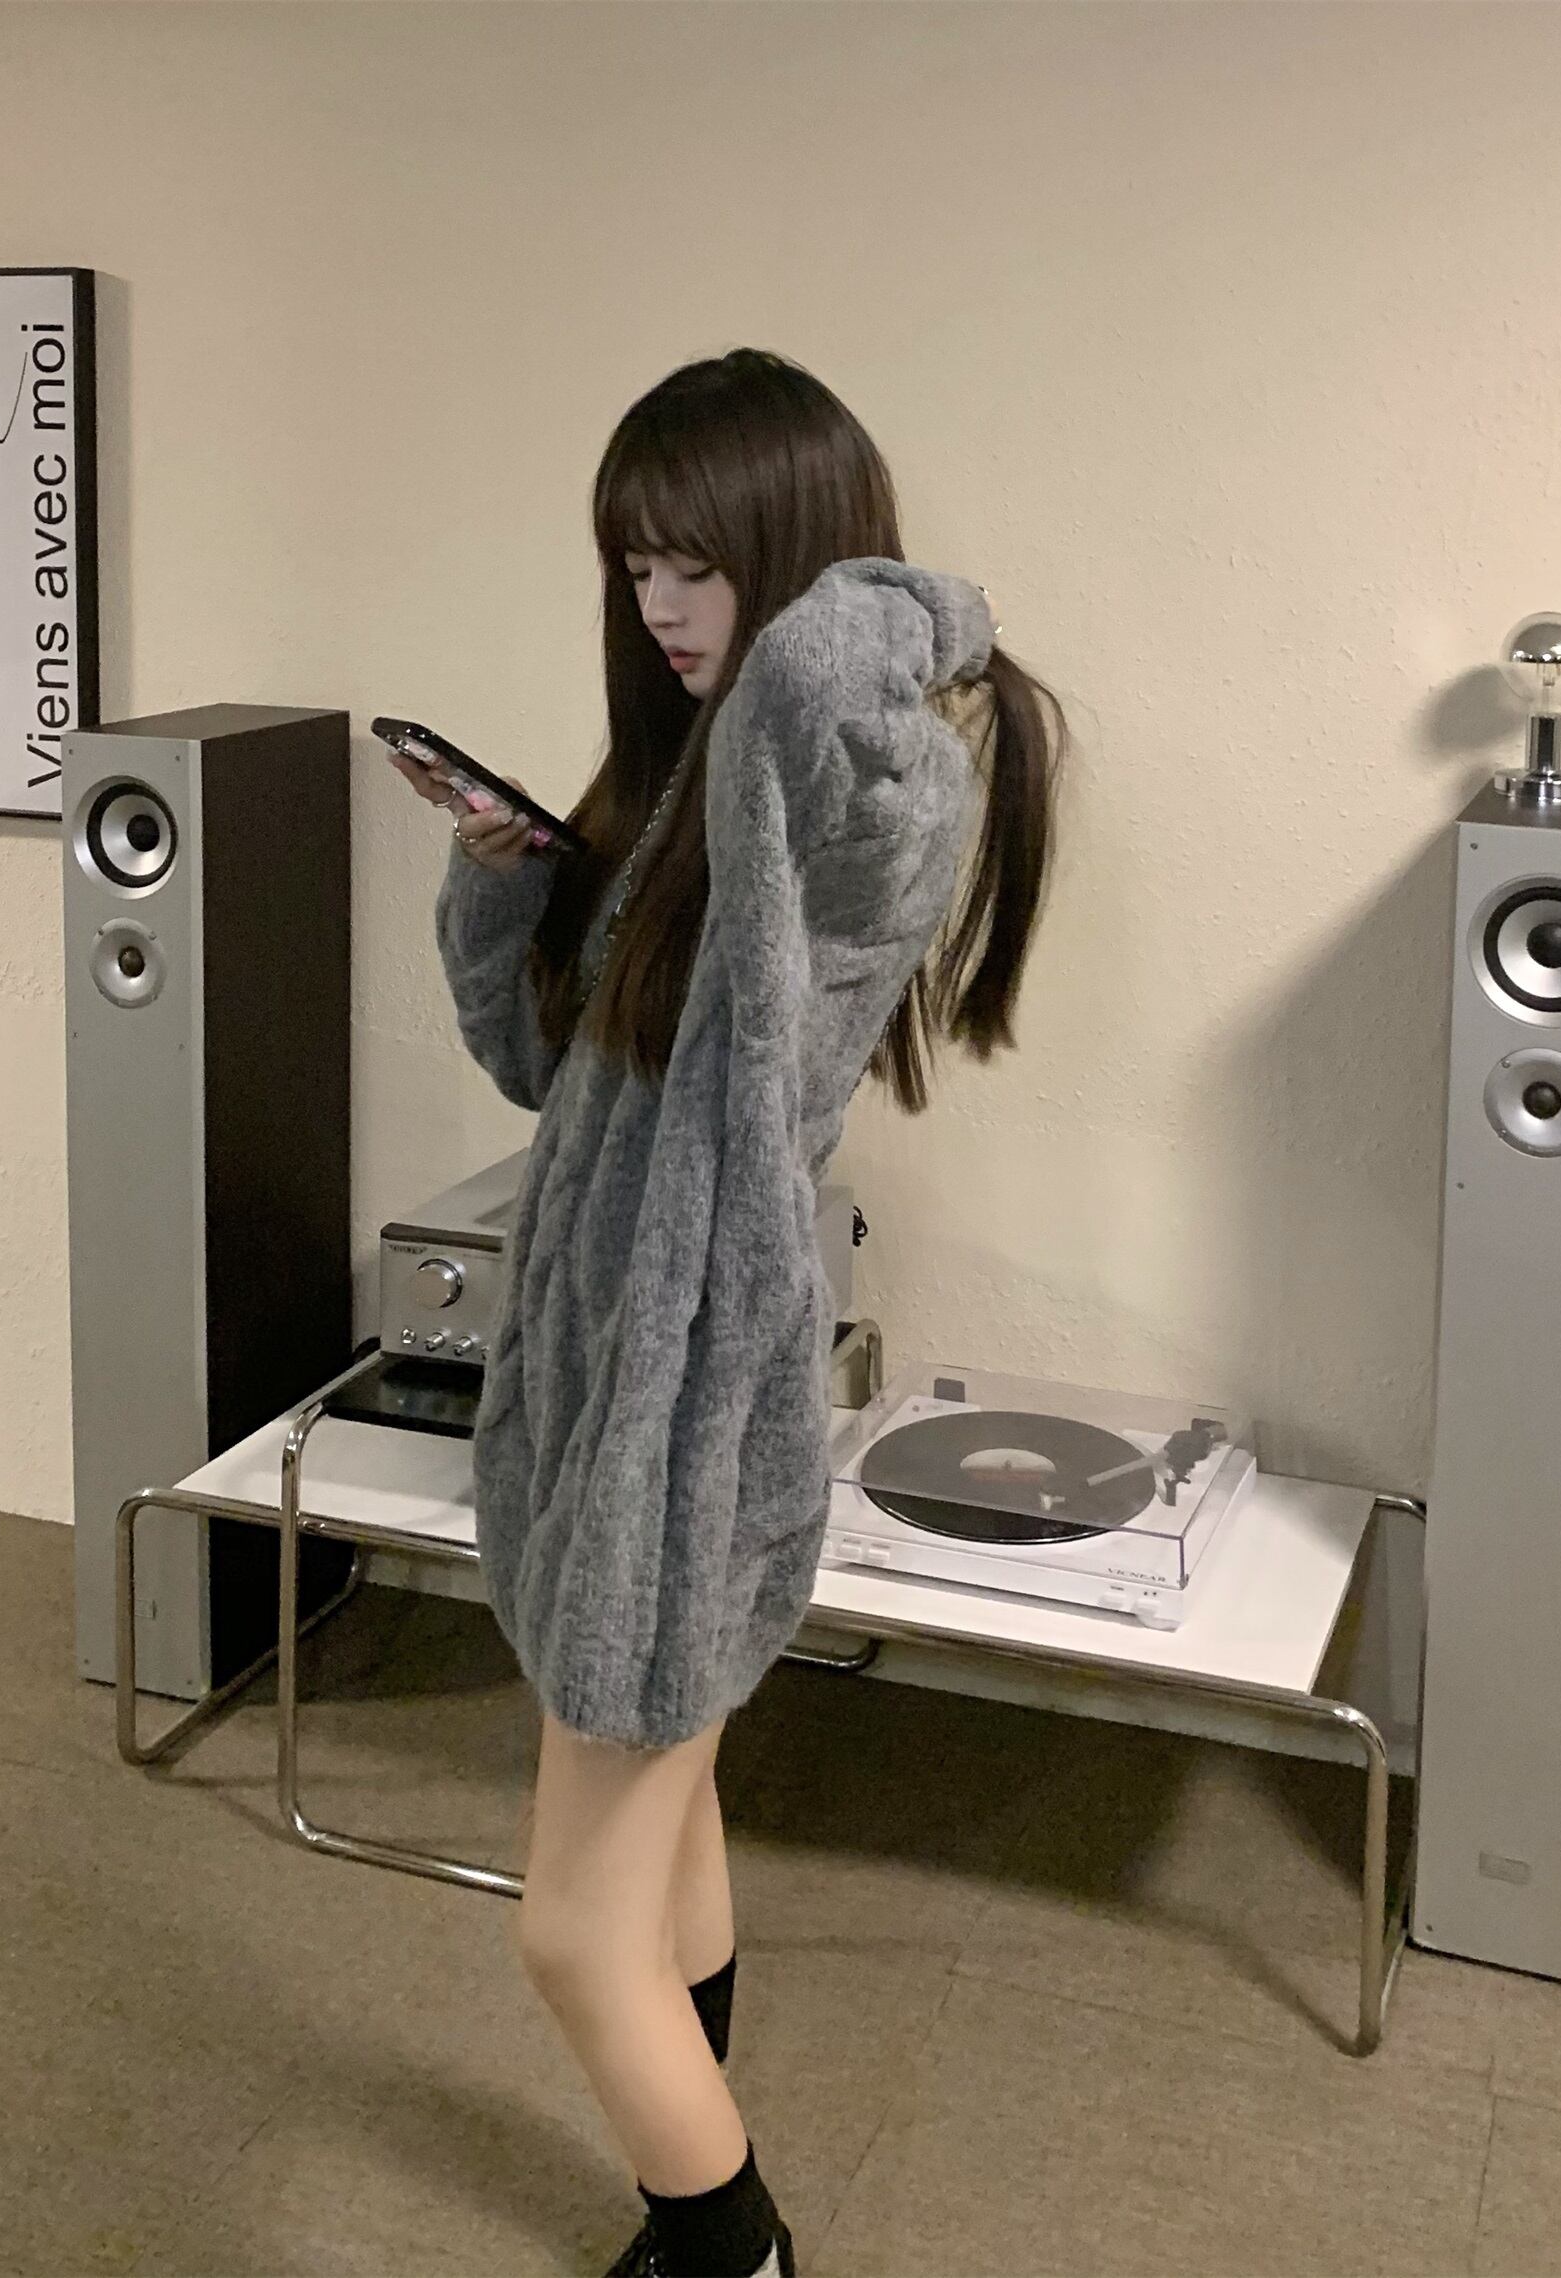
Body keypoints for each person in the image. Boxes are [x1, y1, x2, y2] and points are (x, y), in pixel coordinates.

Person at [386, 347, 1067, 2278]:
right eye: (634, 567)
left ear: (800, 555)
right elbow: (554, 1079)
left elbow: (840, 669)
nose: (663, 607)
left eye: (699, 562)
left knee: (568, 1929)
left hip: (688, 1390)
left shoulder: (867, 783)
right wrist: (504, 884)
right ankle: (679, 2217)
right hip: (604, 1368)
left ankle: (729, 2245)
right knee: (663, 1843)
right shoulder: (701, 781)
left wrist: (880, 601)